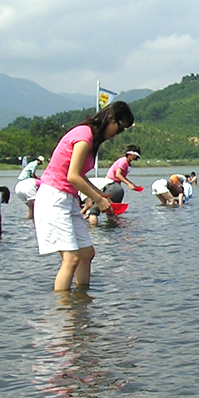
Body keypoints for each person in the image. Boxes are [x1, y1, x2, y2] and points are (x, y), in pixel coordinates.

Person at [35, 100, 134, 291]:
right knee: (71, 258)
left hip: (67, 198)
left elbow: (79, 175)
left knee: (86, 253)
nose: (117, 134)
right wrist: (97, 200)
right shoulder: (84, 136)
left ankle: (82, 304)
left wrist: (99, 194)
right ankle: (64, 312)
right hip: (54, 197)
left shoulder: (92, 138)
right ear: (111, 118)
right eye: (119, 128)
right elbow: (72, 176)